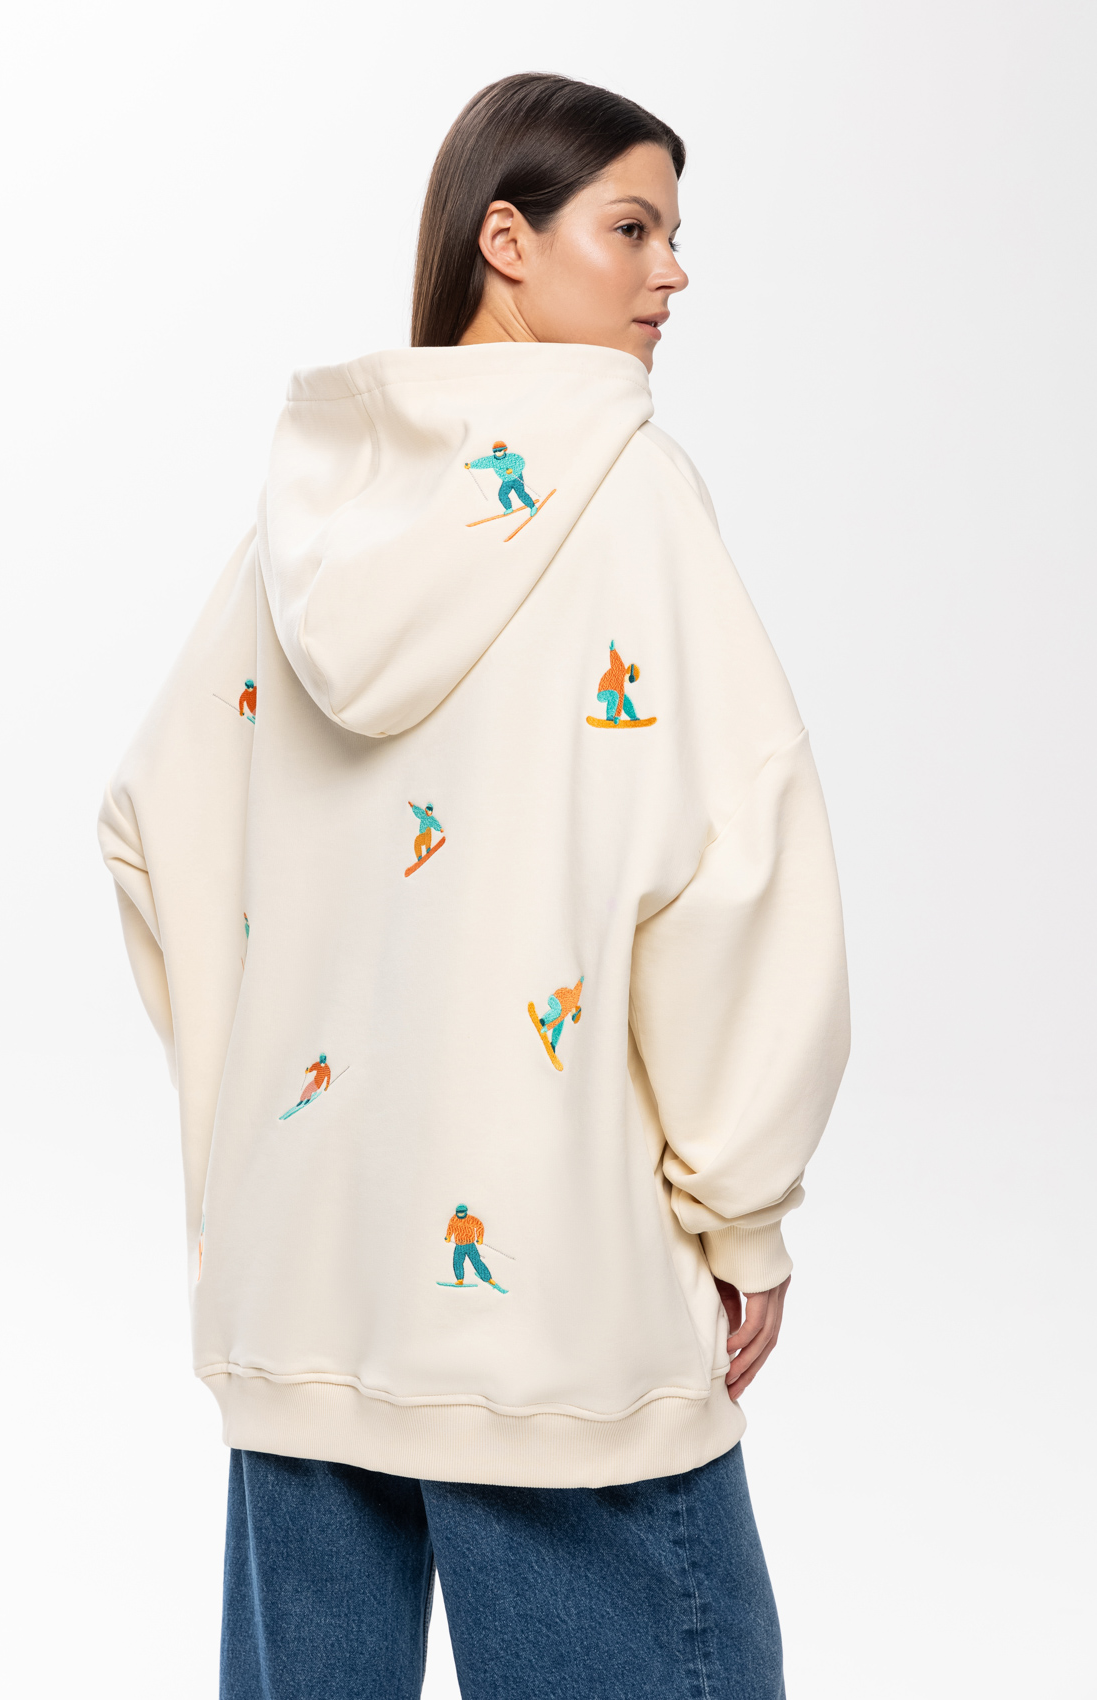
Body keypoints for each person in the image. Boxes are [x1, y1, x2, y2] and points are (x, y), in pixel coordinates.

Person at [100, 72, 849, 1700]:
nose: (672, 273)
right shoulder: (629, 491)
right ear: (506, 239)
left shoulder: (307, 516)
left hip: (304, 1286)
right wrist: (742, 1207)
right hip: (556, 1304)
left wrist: (259, 1146)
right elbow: (736, 864)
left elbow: (157, 829)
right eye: (632, 228)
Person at [465, 439, 536, 513]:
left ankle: (532, 507)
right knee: (502, 494)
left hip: (516, 478)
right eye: (495, 451)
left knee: (521, 494)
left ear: (505, 450)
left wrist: (513, 470)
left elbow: (521, 462)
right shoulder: (492, 460)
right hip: (506, 481)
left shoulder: (512, 457)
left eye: (500, 450)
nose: (498, 453)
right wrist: (470, 465)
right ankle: (509, 508)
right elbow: (482, 462)